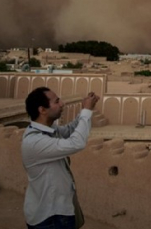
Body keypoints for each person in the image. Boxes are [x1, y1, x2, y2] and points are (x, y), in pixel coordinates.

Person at [22, 87, 100, 229]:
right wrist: (86, 112)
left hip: (59, 210)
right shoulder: (35, 141)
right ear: (42, 110)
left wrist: (87, 109)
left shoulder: (47, 131)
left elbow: (70, 131)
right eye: (57, 101)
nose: (62, 104)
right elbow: (76, 143)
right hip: (49, 217)